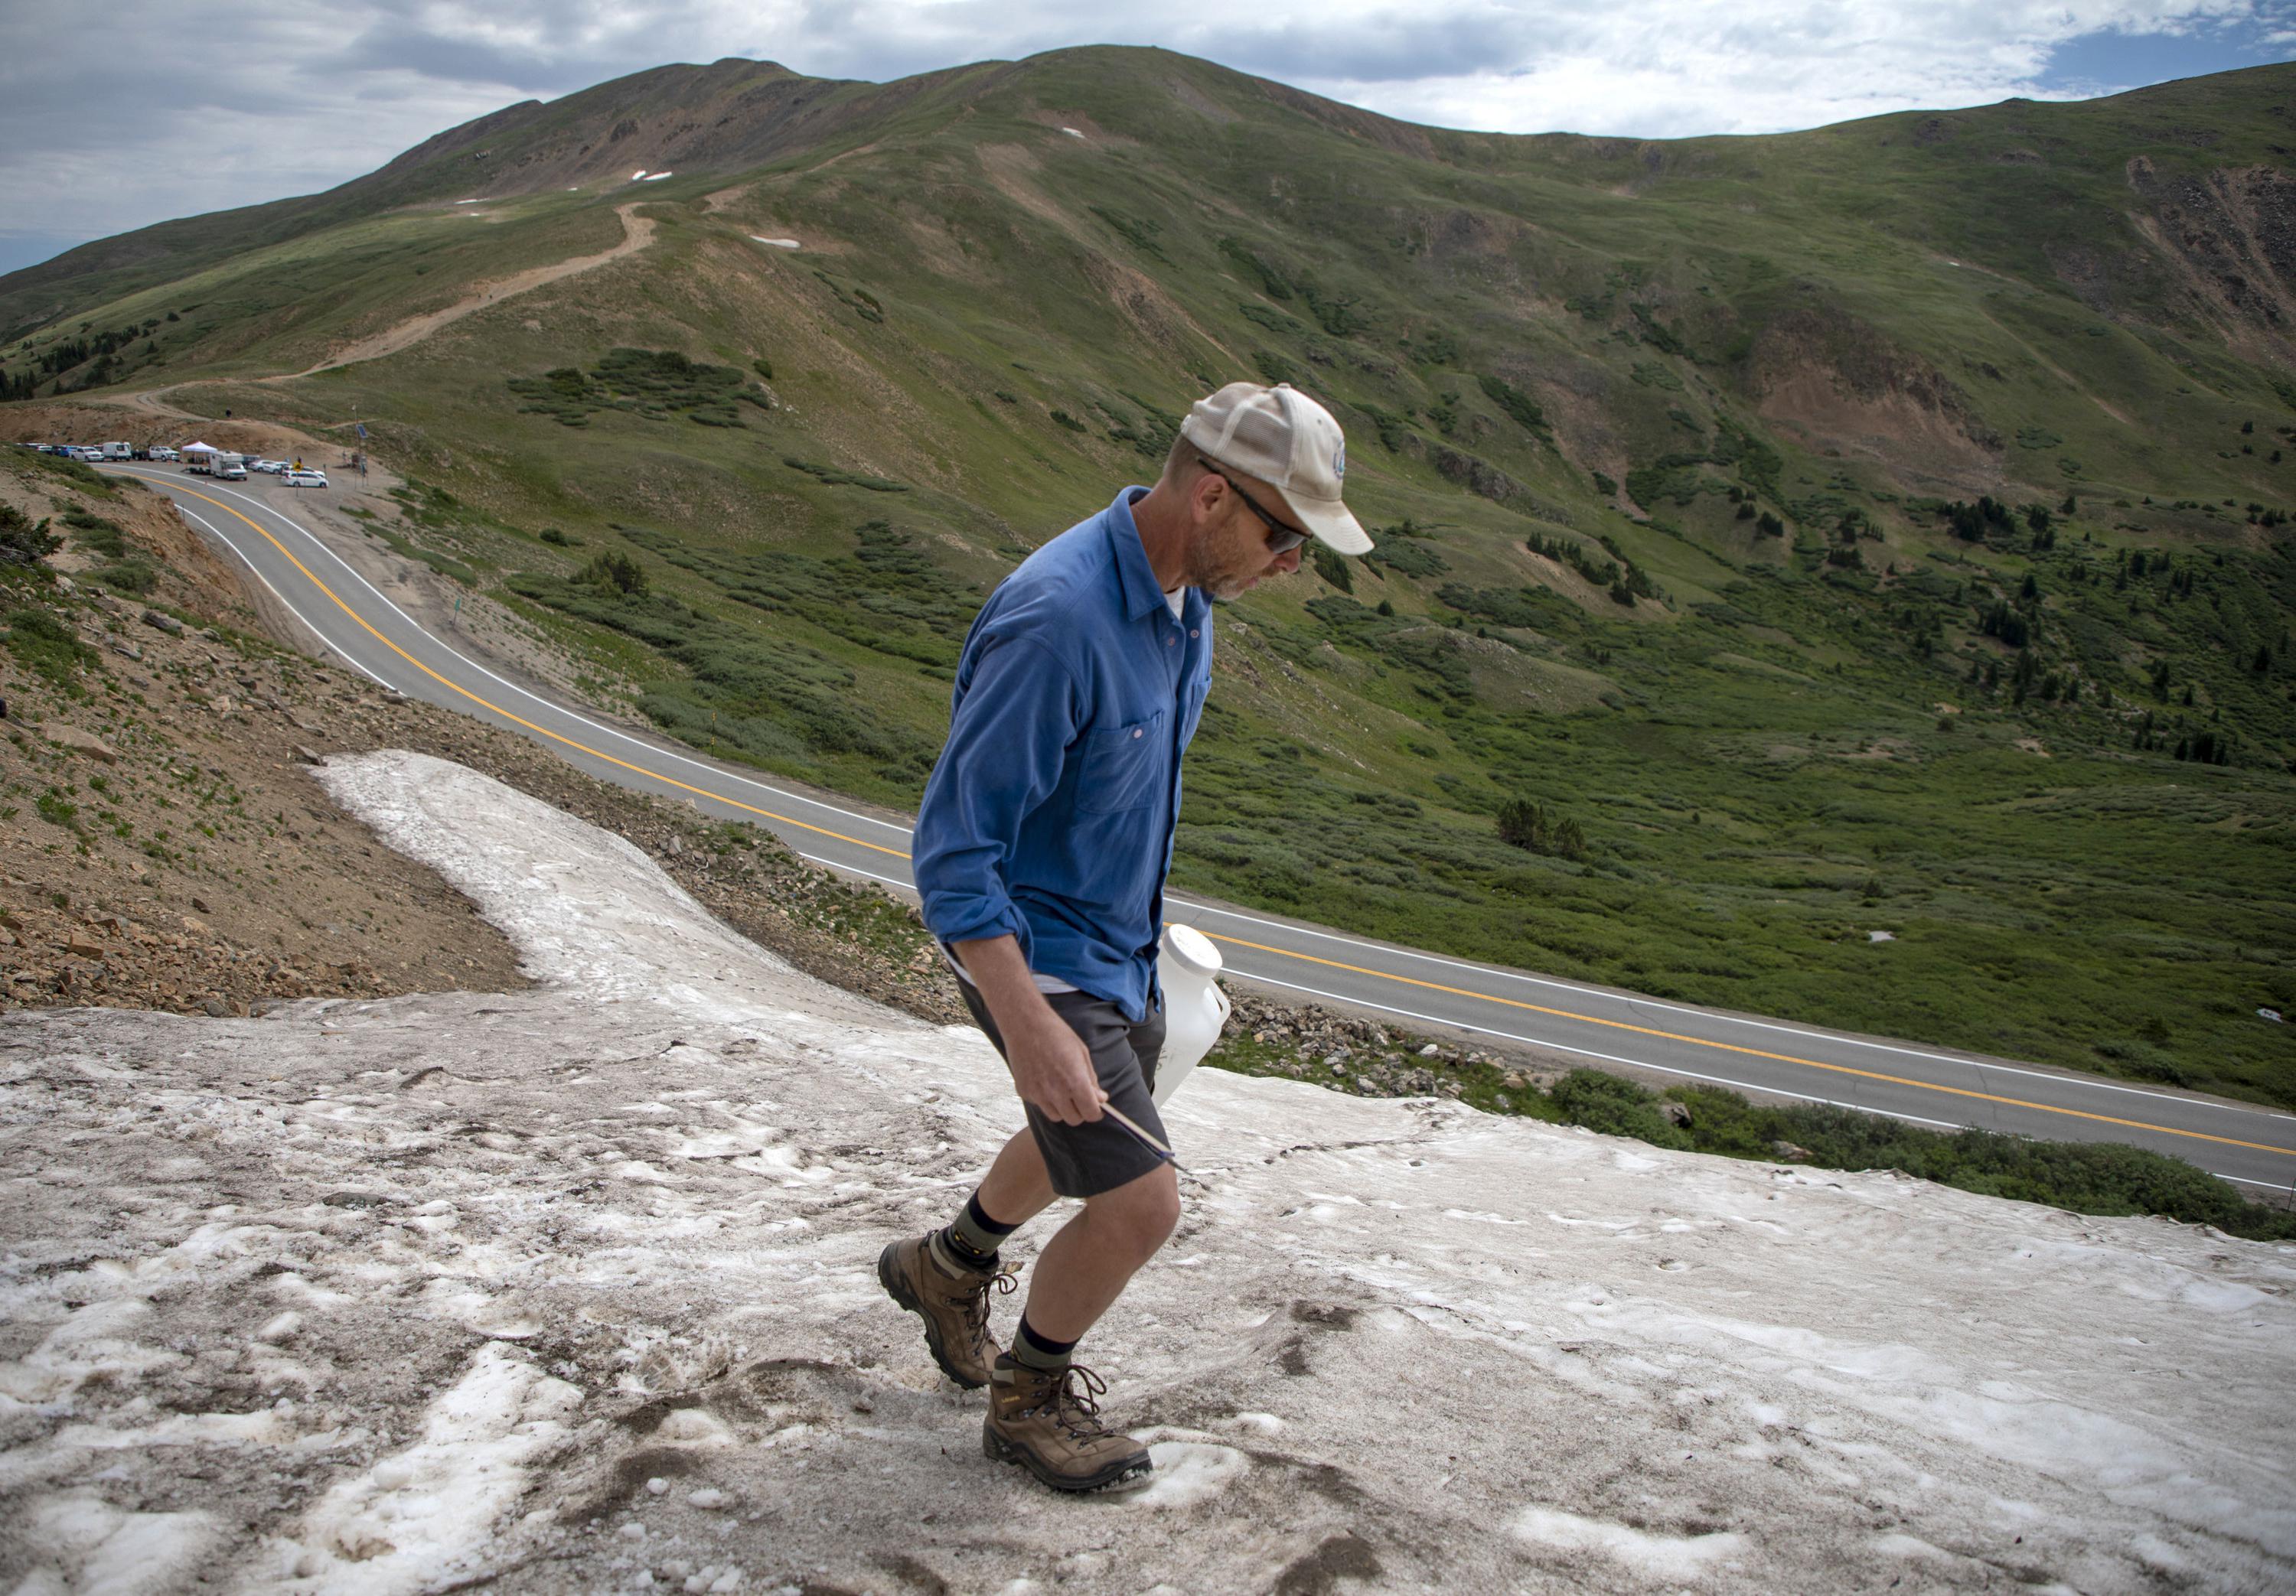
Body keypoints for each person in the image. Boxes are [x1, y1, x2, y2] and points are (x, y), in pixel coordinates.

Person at [880, 382, 1372, 1492]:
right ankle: (1028, 1399)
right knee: (1140, 1195)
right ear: (1211, 495)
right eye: (1284, 535)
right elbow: (954, 855)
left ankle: (947, 1266)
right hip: (1037, 954)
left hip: (1118, 948)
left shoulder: (1186, 597)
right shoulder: (1058, 621)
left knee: (1085, 1138)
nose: (1292, 563)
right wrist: (1033, 1022)